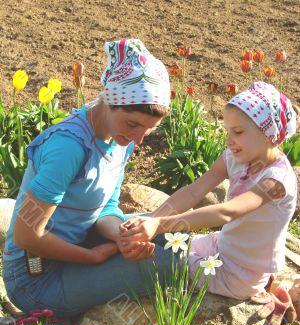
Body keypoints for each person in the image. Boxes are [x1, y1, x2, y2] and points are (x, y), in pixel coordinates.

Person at [2, 38, 173, 318]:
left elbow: (105, 207)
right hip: (35, 276)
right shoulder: (68, 148)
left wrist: (121, 236)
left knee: (169, 235)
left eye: (148, 130)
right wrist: (91, 257)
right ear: (109, 101)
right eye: (133, 125)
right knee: (169, 261)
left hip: (79, 242)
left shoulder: (122, 139)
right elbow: (26, 235)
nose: (139, 139)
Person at [120, 81, 298, 303]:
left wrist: (159, 225)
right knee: (160, 242)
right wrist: (151, 219)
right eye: (227, 131)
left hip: (240, 274)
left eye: (238, 132)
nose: (229, 141)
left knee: (159, 257)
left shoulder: (275, 181)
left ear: (268, 134)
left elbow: (228, 212)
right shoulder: (234, 158)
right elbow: (195, 191)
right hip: (222, 244)